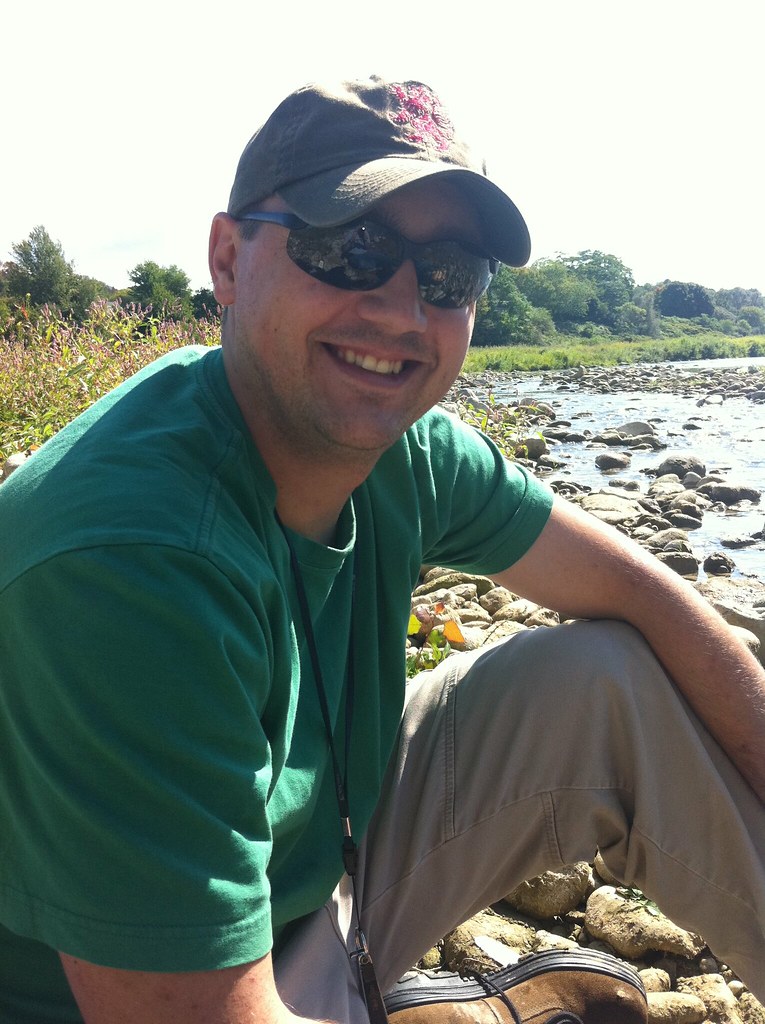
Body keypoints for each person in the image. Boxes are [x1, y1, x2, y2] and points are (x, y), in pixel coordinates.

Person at [0, 75, 763, 1024]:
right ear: (228, 259)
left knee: (603, 673)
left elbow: (644, 593)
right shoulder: (125, 564)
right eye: (347, 247)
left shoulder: (405, 449)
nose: (403, 311)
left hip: (319, 882)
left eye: (450, 273)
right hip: (138, 997)